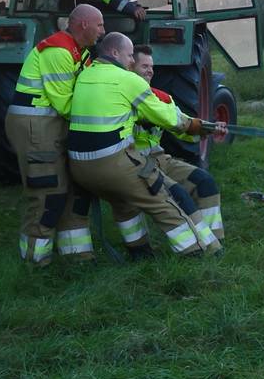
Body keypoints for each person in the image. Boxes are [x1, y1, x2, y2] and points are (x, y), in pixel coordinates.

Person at [66, 33, 225, 258]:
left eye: (151, 66)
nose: (132, 62)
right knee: (165, 198)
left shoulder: (85, 75)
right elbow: (171, 119)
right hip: (119, 162)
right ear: (115, 53)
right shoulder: (128, 81)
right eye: (132, 57)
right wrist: (197, 125)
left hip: (81, 164)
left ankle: (141, 254)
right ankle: (198, 251)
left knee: (196, 183)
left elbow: (176, 123)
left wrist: (206, 128)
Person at [5, 4, 105, 266]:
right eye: (100, 25)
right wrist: (101, 121)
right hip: (36, 125)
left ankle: (77, 256)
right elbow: (66, 104)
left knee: (74, 188)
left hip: (51, 124)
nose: (103, 31)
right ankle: (34, 261)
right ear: (83, 24)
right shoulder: (59, 50)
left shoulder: (80, 53)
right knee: (48, 192)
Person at [124, 43, 225, 259]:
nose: (150, 71)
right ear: (130, 67)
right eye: (144, 66)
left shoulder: (161, 98)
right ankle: (202, 249)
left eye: (152, 67)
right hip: (135, 164)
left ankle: (216, 241)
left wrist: (208, 128)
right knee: (177, 195)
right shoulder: (121, 99)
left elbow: (184, 127)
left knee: (205, 182)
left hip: (161, 159)